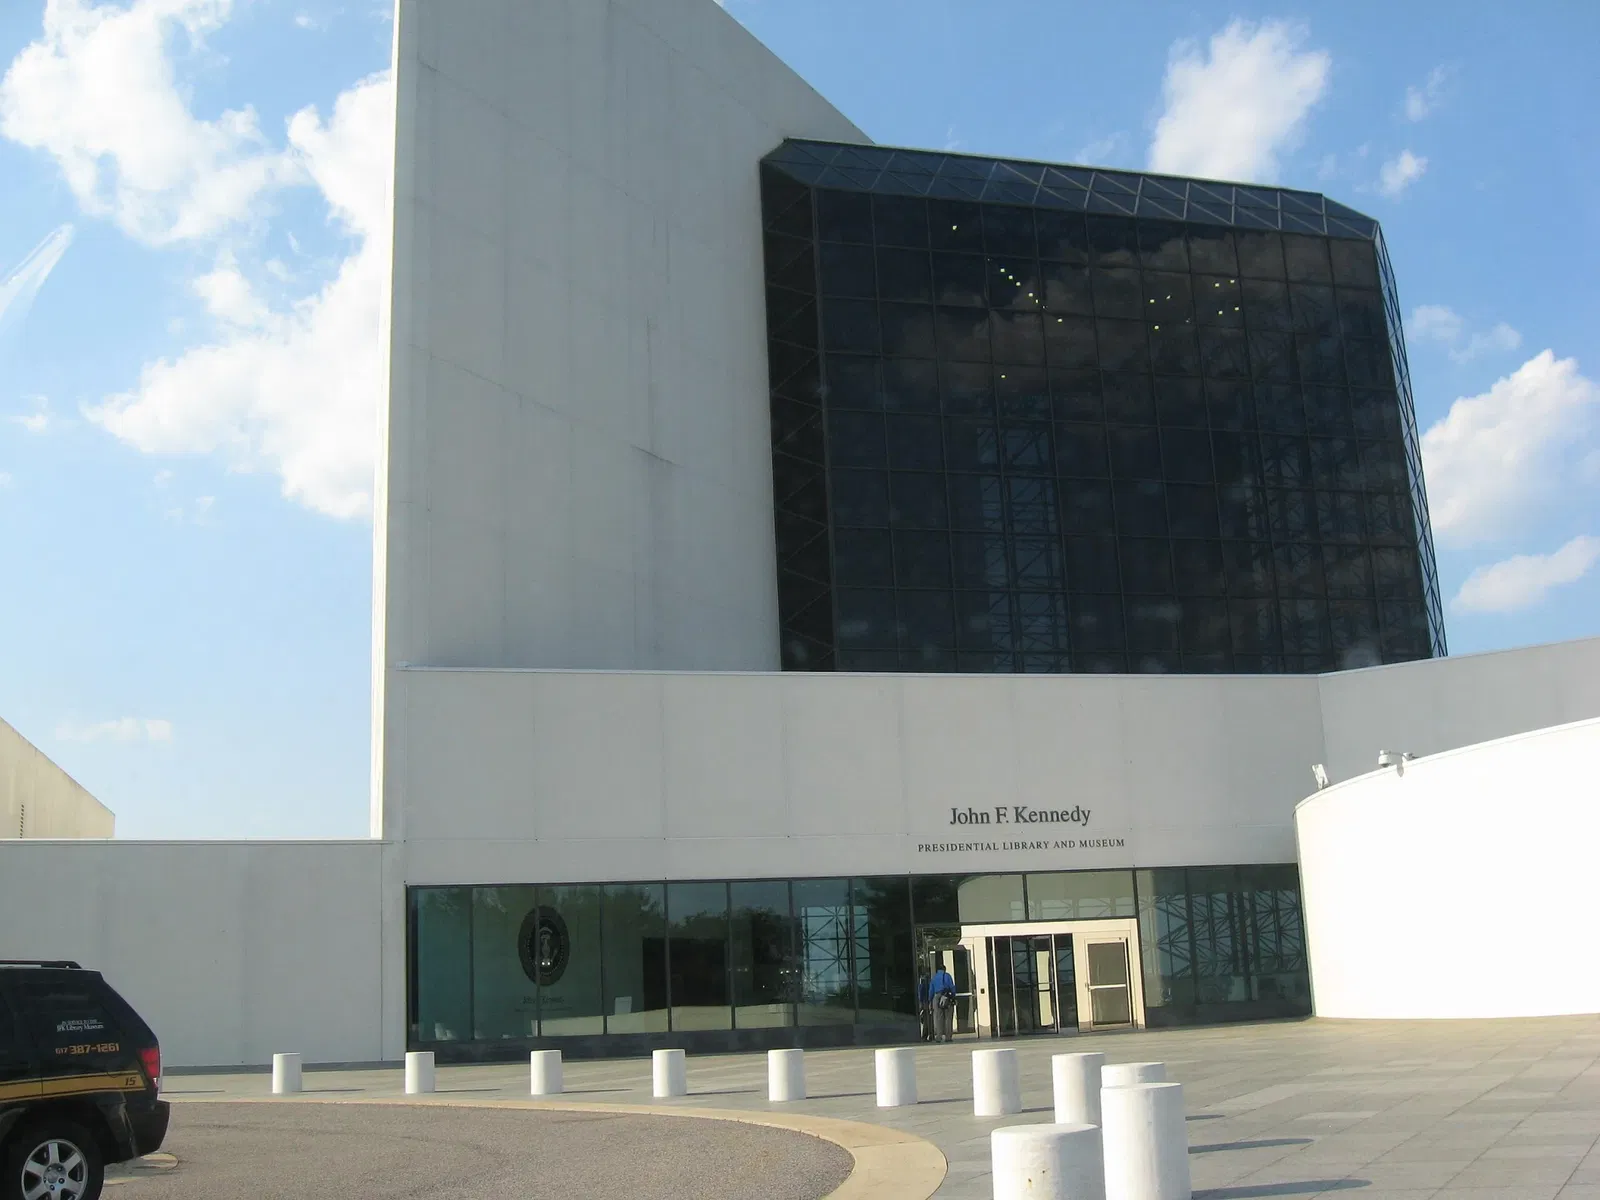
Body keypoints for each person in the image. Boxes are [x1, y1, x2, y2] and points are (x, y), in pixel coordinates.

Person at [929, 959, 957, 1043]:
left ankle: (938, 1036)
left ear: (937, 970)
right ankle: (948, 1037)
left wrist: (930, 1000)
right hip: (946, 997)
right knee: (948, 1018)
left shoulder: (934, 978)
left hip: (937, 997)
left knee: (938, 1018)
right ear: (945, 969)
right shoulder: (947, 976)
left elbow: (931, 991)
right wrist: (953, 996)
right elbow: (952, 987)